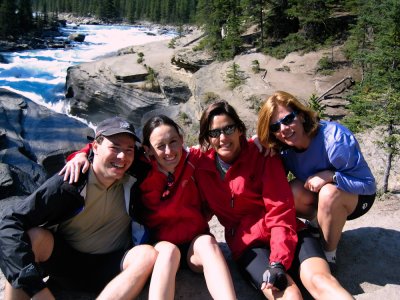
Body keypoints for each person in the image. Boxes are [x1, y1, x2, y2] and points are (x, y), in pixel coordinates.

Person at [61, 115, 237, 300]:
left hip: (194, 244)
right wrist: (80, 154)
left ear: (182, 140)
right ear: (148, 150)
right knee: (168, 252)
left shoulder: (194, 160)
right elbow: (107, 148)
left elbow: (228, 149)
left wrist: (260, 143)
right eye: (160, 146)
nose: (169, 151)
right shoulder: (140, 168)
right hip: (160, 244)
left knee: (209, 244)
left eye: (173, 142)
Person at [193, 100, 354, 300]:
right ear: (207, 137)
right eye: (214, 133)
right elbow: (165, 155)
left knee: (321, 280)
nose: (223, 137)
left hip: (288, 231)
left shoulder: (262, 155)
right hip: (249, 247)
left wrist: (278, 261)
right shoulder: (199, 164)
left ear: (240, 129)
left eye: (229, 128)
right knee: (289, 294)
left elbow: (280, 209)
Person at [0, 117, 171, 300]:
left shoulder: (135, 175)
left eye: (129, 150)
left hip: (112, 264)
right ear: (95, 147)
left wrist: (82, 153)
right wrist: (34, 286)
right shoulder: (70, 182)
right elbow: (9, 224)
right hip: (66, 262)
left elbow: (169, 153)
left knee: (147, 255)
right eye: (114, 148)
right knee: (32, 237)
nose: (122, 156)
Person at [257, 91, 376, 271]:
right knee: (291, 191)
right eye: (275, 127)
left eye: (288, 119)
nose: (283, 129)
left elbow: (368, 185)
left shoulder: (334, 141)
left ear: (302, 116)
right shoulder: (285, 149)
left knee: (329, 193)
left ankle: (329, 253)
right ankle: (318, 225)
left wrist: (331, 176)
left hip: (357, 198)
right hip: (320, 196)